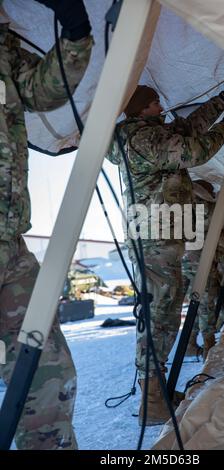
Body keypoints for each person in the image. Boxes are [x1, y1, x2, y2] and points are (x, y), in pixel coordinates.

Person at [107, 80, 224, 425]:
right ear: (142, 108)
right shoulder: (141, 138)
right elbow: (193, 151)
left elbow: (187, 127)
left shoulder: (149, 132)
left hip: (163, 232)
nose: (161, 107)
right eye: (155, 103)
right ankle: (151, 399)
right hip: (153, 234)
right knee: (159, 314)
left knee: (167, 308)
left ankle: (156, 393)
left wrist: (221, 101)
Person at [0, 0, 93, 449]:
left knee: (46, 370)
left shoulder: (4, 53)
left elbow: (43, 91)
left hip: (8, 245)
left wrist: (75, 33)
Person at [182, 183, 224, 359]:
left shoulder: (184, 203)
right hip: (200, 262)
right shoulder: (202, 206)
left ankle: (191, 344)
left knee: (199, 304)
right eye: (210, 192)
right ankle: (209, 348)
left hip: (186, 261)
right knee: (205, 304)